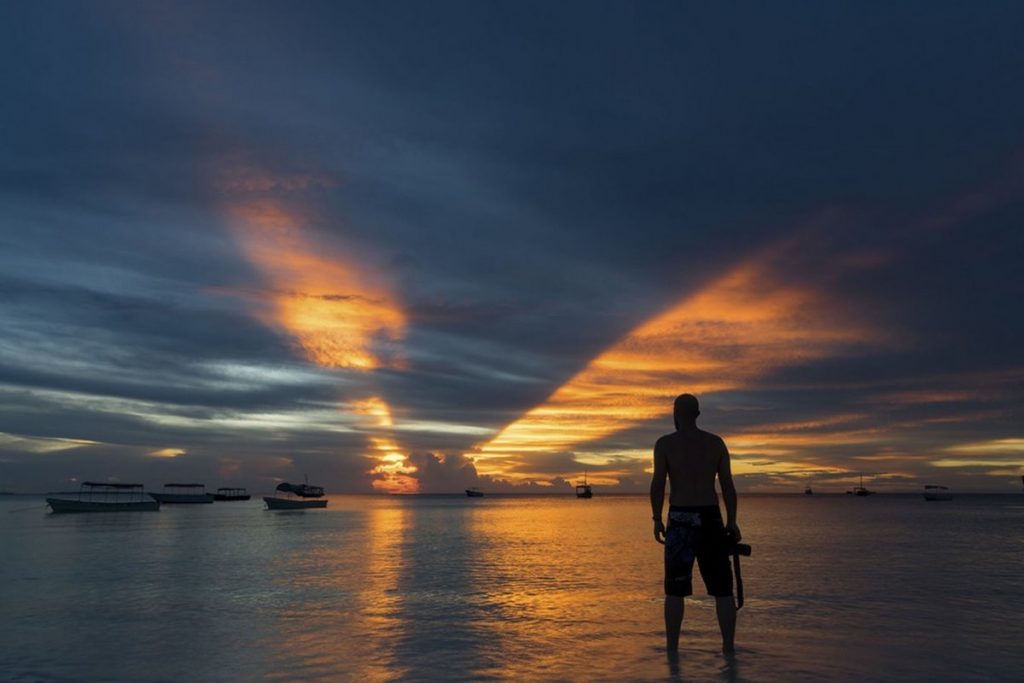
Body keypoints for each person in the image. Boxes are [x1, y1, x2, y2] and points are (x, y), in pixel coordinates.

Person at [650, 393, 740, 654]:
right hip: (711, 518)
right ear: (698, 414)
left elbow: (658, 483)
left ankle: (672, 652)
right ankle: (729, 651)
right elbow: (727, 486)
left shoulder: (665, 444)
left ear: (675, 414)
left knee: (675, 591)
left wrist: (656, 517)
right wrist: (732, 520)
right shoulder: (715, 443)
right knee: (723, 590)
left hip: (679, 519)